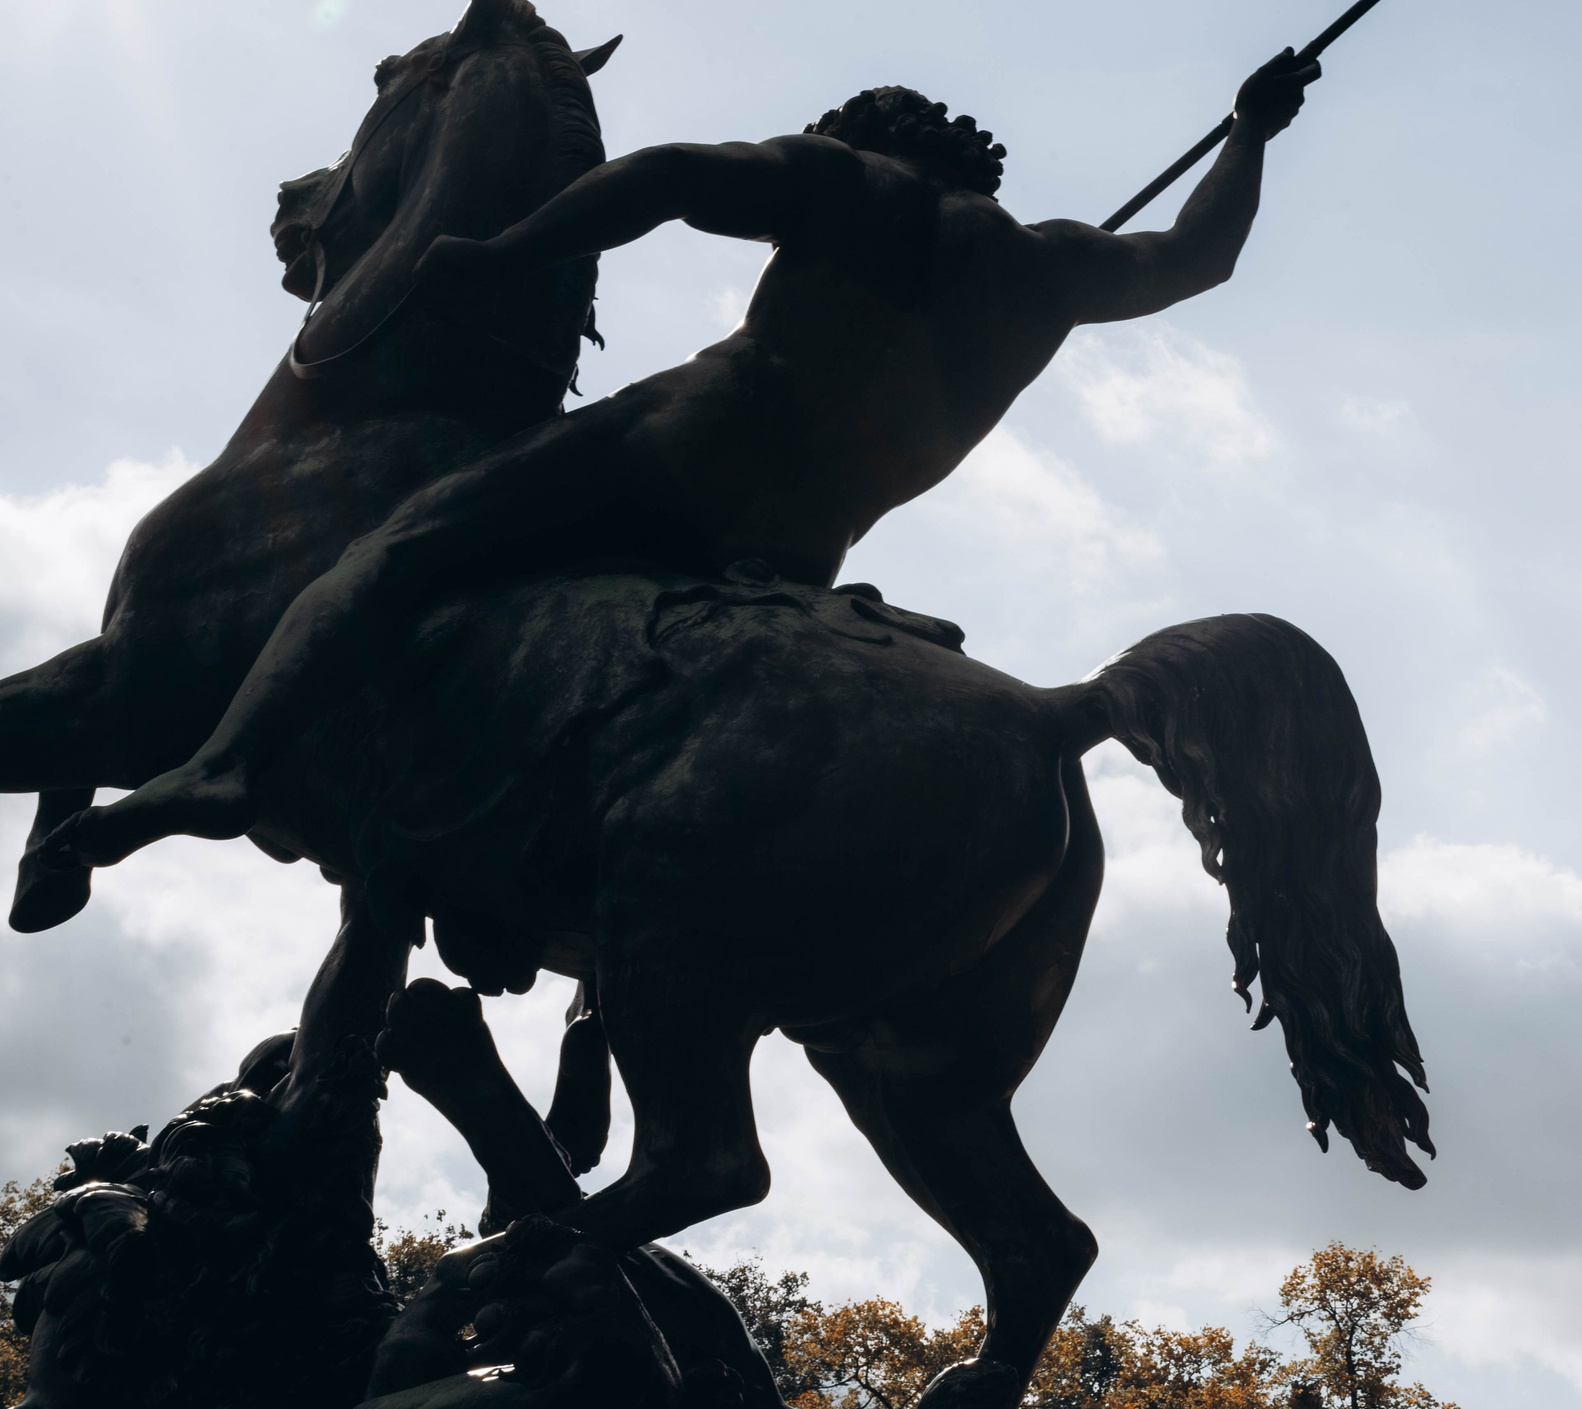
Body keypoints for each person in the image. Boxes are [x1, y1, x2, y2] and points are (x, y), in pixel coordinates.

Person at [46, 50, 1323, 871]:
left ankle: (221, 763)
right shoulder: (1051, 265)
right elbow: (1200, 257)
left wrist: (502, 256)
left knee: (398, 551)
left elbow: (662, 178)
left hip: (671, 461)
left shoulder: (844, 180)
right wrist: (1248, 131)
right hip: (796, 545)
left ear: (866, 133)